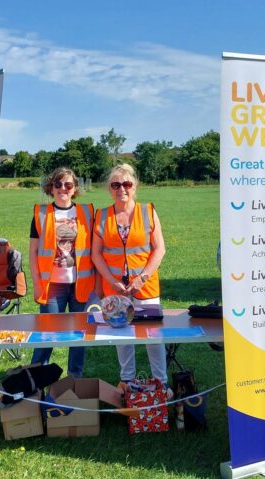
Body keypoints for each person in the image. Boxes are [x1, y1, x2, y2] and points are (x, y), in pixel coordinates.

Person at [92, 163, 169, 389]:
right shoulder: (102, 215)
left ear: (135, 186)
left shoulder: (148, 211)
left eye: (126, 184)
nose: (121, 189)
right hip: (115, 288)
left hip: (145, 287)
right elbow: (96, 254)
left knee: (153, 336)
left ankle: (161, 384)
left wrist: (142, 278)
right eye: (116, 184)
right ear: (109, 189)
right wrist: (112, 281)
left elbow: (159, 249)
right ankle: (127, 382)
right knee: (121, 336)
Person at [30, 167, 96, 377]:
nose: (63, 189)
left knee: (80, 335)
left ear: (75, 188)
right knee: (47, 335)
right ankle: (35, 380)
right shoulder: (41, 214)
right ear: (51, 187)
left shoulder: (87, 212)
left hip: (81, 285)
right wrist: (37, 283)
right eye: (58, 184)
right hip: (52, 286)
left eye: (68, 185)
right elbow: (32, 252)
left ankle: (75, 380)